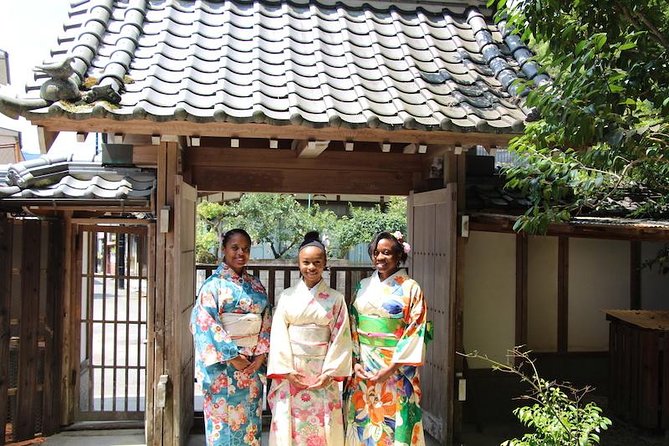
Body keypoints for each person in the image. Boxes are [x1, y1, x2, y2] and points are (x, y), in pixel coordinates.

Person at [267, 231, 352, 445]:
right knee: (289, 421)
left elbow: (340, 335)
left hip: (323, 370)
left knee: (323, 425)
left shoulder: (335, 298)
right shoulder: (286, 296)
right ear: (298, 263)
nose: (311, 267)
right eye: (306, 262)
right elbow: (278, 334)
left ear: (325, 263)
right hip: (292, 369)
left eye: (317, 262)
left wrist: (331, 372)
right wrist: (286, 371)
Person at [345, 231, 429, 446]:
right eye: (376, 252)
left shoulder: (411, 288)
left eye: (386, 253)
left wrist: (392, 367)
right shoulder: (362, 286)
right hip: (364, 365)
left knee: (394, 420)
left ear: (399, 256)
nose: (380, 257)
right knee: (364, 422)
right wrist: (355, 363)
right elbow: (352, 325)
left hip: (397, 367)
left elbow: (416, 330)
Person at [190, 228, 271, 446]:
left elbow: (266, 320)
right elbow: (205, 324)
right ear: (224, 249)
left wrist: (261, 357)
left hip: (252, 366)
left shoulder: (256, 285)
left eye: (245, 249)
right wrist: (232, 356)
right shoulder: (212, 285)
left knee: (250, 424)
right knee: (222, 426)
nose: (240, 253)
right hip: (223, 369)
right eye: (234, 248)